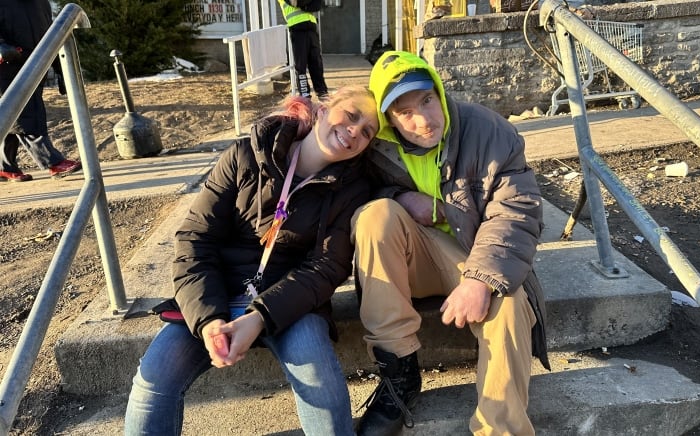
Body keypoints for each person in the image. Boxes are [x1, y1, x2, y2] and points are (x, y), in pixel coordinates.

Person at [124, 85, 379, 435]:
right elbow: (196, 238)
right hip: (218, 290)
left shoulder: (352, 188)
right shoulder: (245, 155)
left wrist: (259, 318)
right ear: (321, 110)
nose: (354, 131)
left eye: (367, 131)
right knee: (153, 380)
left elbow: (326, 268)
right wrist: (208, 321)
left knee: (318, 378)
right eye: (351, 115)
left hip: (291, 302)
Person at [351, 50, 550, 435]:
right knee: (375, 216)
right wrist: (396, 196)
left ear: (439, 91)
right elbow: (342, 195)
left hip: (475, 251)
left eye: (426, 100)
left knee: (508, 303)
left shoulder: (488, 131)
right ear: (388, 121)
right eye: (404, 112)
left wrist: (479, 280)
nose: (424, 119)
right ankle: (399, 375)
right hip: (410, 258)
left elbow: (517, 213)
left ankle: (501, 428)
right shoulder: (373, 147)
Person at [0, 0, 81, 182]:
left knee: (12, 116)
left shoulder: (41, 3)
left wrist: (61, 70)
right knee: (25, 114)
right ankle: (53, 161)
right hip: (5, 64)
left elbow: (50, 34)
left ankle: (4, 166)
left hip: (35, 62)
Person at [277, 0, 328, 99]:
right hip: (297, 29)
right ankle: (305, 97)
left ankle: (322, 93)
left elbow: (317, 4)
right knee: (301, 66)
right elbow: (296, 2)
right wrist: (307, 5)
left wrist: (305, 5)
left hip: (311, 28)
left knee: (316, 64)